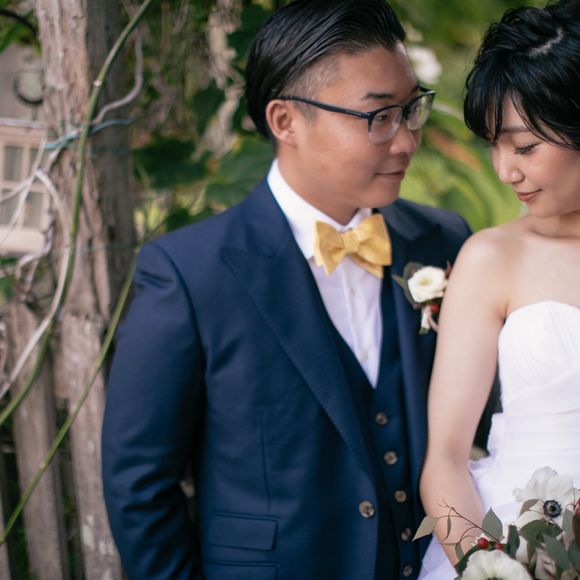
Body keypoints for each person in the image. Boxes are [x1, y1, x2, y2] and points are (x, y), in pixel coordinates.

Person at [101, 1, 472, 578]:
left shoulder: (442, 239)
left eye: (410, 110)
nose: (406, 141)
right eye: (378, 116)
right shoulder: (188, 275)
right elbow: (140, 486)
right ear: (285, 121)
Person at [418, 0, 580, 577]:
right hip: (512, 542)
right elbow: (445, 458)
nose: (506, 170)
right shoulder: (491, 258)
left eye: (525, 146)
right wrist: (484, 566)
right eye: (495, 144)